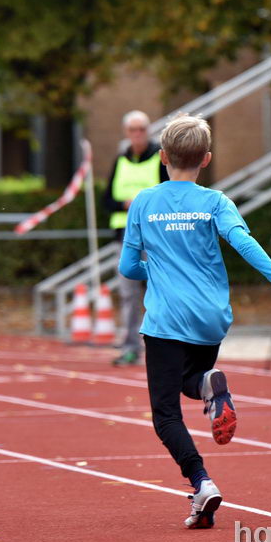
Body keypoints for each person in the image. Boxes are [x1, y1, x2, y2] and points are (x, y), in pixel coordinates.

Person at [118, 114, 271, 529]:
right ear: (207, 159)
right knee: (193, 376)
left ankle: (201, 482)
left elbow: (129, 267)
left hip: (166, 320)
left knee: (165, 414)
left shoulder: (145, 202)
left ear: (162, 157)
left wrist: (159, 273)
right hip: (211, 317)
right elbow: (244, 242)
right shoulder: (217, 202)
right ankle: (206, 384)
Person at [103, 110, 169, 366]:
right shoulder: (120, 160)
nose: (138, 134)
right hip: (125, 238)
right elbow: (106, 199)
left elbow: (168, 194)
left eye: (142, 129)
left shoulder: (159, 159)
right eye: (133, 130)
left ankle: (164, 345)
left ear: (149, 131)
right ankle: (131, 346)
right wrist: (123, 204)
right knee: (129, 295)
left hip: (155, 237)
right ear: (126, 133)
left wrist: (144, 205)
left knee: (161, 291)